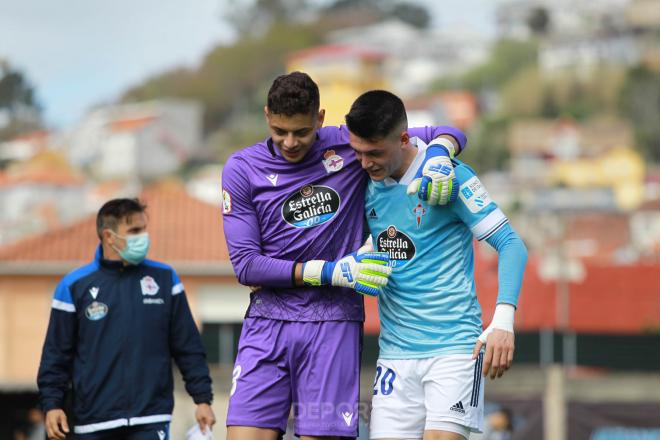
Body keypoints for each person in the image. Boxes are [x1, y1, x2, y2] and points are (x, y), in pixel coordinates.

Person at [221, 71, 467, 440]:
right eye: (280, 131)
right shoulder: (242, 169)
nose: (290, 142)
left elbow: (448, 132)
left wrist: (439, 154)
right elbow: (246, 265)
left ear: (320, 119)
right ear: (267, 115)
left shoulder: (350, 146)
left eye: (302, 132)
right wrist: (331, 271)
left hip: (333, 323)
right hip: (268, 322)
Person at [345, 90, 528, 440]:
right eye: (358, 153)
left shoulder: (448, 175)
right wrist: (358, 263)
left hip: (454, 351)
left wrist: (503, 321)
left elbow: (511, 245)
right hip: (394, 357)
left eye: (375, 153)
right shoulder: (364, 184)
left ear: (403, 138)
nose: (365, 163)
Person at [37, 198, 216, 440]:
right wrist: (52, 404)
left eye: (144, 229)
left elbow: (188, 346)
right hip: (93, 421)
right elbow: (56, 354)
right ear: (109, 237)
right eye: (134, 231)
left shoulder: (165, 279)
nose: (143, 237)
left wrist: (202, 399)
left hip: (150, 418)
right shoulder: (73, 286)